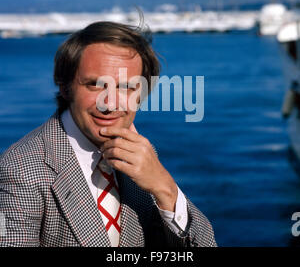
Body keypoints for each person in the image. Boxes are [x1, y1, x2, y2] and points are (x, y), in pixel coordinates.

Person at [0, 21, 216, 247]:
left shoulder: (140, 153)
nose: (110, 103)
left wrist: (166, 189)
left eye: (126, 87)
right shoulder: (20, 170)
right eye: (95, 84)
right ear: (65, 87)